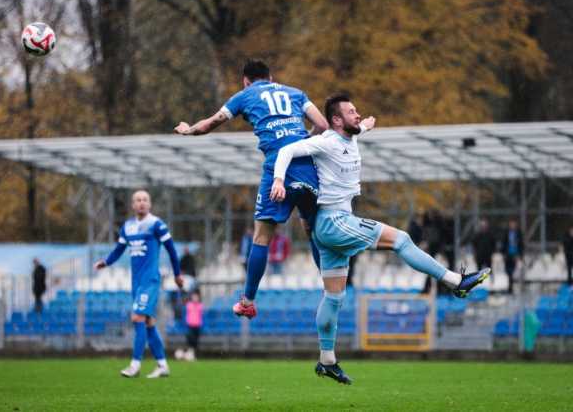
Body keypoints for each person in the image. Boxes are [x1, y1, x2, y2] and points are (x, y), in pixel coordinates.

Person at [271, 93, 491, 385]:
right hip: (335, 221)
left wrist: (366, 126)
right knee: (400, 239)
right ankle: (455, 282)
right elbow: (286, 152)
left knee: (334, 297)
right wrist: (277, 180)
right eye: (352, 112)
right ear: (336, 120)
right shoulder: (326, 141)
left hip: (329, 228)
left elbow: (359, 129)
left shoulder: (353, 135)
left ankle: (327, 361)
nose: (358, 115)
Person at [174, 59, 329, 319]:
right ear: (271, 77)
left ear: (246, 80)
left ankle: (247, 301)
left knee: (261, 237)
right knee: (312, 230)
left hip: (276, 168)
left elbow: (210, 124)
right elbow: (323, 125)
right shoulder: (295, 92)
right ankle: (331, 288)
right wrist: (305, 141)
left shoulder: (245, 95)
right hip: (307, 166)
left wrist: (188, 130)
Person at [94, 190, 183, 379]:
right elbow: (119, 250)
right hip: (136, 282)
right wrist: (106, 262)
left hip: (150, 281)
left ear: (149, 204)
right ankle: (162, 365)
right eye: (137, 200)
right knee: (149, 323)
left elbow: (172, 250)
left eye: (145, 200)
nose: (141, 203)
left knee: (137, 318)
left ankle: (135, 365)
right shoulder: (127, 227)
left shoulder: (157, 225)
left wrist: (177, 274)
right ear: (133, 205)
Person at [501, 218, 524, 294]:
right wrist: (503, 254)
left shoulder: (519, 234)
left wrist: (520, 255)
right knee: (508, 271)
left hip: (516, 255)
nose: (513, 225)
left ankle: (515, 287)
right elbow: (503, 244)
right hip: (508, 255)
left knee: (516, 272)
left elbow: (521, 245)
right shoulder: (506, 233)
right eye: (511, 224)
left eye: (514, 224)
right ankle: (510, 286)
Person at [184, 290, 203, 361]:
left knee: (196, 341)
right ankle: (190, 354)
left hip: (197, 325)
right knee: (191, 340)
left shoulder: (200, 306)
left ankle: (194, 355)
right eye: (194, 297)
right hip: (190, 325)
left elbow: (201, 316)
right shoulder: (189, 305)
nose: (195, 298)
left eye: (196, 297)